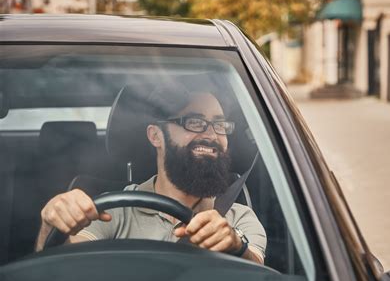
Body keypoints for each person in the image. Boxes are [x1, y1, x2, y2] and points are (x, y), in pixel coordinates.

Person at [35, 88, 266, 264]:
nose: (211, 134)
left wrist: (235, 246)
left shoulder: (238, 219)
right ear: (156, 136)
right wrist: (50, 227)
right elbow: (63, 270)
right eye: (194, 122)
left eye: (220, 124)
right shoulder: (113, 211)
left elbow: (259, 274)